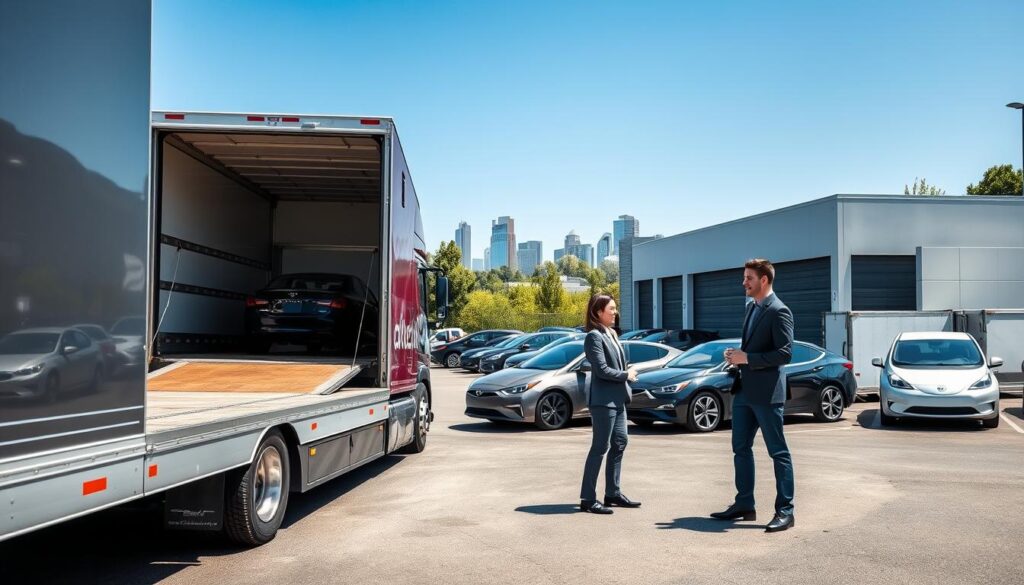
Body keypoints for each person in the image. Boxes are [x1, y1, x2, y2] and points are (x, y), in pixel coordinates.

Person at [712, 259, 796, 533]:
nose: (744, 282)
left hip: (768, 394)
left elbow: (784, 354)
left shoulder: (779, 311)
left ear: (764, 280)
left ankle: (785, 511)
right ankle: (744, 504)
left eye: (749, 278)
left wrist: (748, 358)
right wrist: (737, 357)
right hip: (745, 391)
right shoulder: (751, 308)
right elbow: (751, 349)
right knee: (740, 448)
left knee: (778, 452)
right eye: (744, 277)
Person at [579, 294, 640, 514]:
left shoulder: (612, 333)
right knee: (600, 447)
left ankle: (612, 493)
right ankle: (587, 498)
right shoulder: (594, 337)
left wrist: (625, 372)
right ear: (598, 312)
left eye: (615, 308)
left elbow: (615, 364)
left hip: (618, 399)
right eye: (611, 309)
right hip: (603, 402)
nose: (615, 313)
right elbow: (601, 370)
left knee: (620, 442)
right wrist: (626, 375)